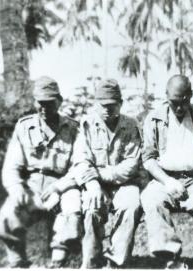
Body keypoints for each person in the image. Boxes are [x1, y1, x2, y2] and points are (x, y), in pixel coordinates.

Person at [0, 76, 81, 268]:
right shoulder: (24, 127)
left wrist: (59, 187)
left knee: (72, 209)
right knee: (7, 215)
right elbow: (11, 166)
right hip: (31, 184)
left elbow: (80, 166)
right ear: (34, 102)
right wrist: (16, 189)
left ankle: (60, 261)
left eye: (49, 103)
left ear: (59, 101)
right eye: (40, 103)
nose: (44, 108)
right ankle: (18, 262)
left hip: (63, 184)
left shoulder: (73, 128)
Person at [141, 74, 193, 268]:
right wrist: (168, 182)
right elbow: (148, 158)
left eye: (184, 102)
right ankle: (171, 259)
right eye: (174, 102)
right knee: (151, 200)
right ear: (166, 95)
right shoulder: (154, 119)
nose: (179, 108)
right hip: (164, 180)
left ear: (191, 95)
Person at [73, 79, 142, 268]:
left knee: (131, 205)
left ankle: (117, 262)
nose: (107, 110)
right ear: (96, 104)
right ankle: (93, 261)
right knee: (91, 205)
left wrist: (101, 174)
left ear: (121, 103)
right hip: (96, 184)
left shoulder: (131, 125)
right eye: (102, 105)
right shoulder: (86, 124)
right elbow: (81, 160)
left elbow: (132, 163)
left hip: (124, 183)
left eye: (112, 105)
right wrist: (93, 184)